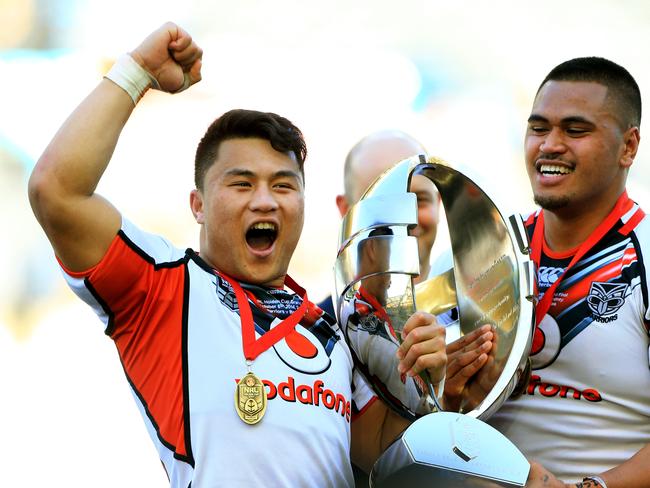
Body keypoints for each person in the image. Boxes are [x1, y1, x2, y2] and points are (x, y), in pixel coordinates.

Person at [27, 23, 447, 487]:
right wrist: (137, 72)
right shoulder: (164, 287)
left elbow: (380, 458)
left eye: (284, 185)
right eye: (242, 183)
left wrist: (428, 382)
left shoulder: (331, 331)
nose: (265, 201)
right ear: (198, 206)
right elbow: (57, 191)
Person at [481, 57, 650, 487]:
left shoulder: (645, 254)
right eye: (538, 128)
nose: (549, 145)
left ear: (628, 146)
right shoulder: (490, 250)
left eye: (575, 130)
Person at [318, 130, 445, 316]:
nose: (406, 220)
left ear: (438, 203)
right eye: (382, 202)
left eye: (419, 200)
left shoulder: (476, 320)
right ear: (346, 211)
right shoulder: (321, 335)